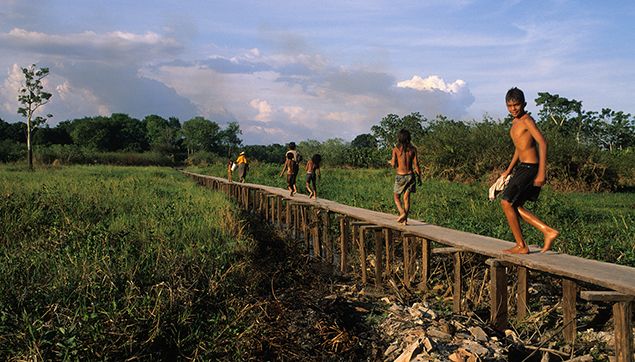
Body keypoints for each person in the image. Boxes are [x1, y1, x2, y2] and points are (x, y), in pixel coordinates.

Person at [499, 87, 559, 254]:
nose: (513, 109)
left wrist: (542, 172)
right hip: (521, 168)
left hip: (531, 168)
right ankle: (548, 231)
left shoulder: (527, 120)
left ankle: (521, 245)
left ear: (524, 104)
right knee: (515, 206)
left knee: (506, 203)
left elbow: (543, 142)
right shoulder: (514, 123)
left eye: (516, 105)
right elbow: (519, 149)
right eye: (509, 106)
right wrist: (508, 170)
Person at [390, 129, 422, 225]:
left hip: (400, 176)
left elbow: (393, 164)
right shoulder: (413, 149)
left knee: (396, 197)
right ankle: (405, 221)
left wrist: (390, 162)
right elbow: (416, 165)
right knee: (406, 198)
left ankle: (402, 213)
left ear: (399, 138)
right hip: (411, 176)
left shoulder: (396, 149)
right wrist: (419, 177)